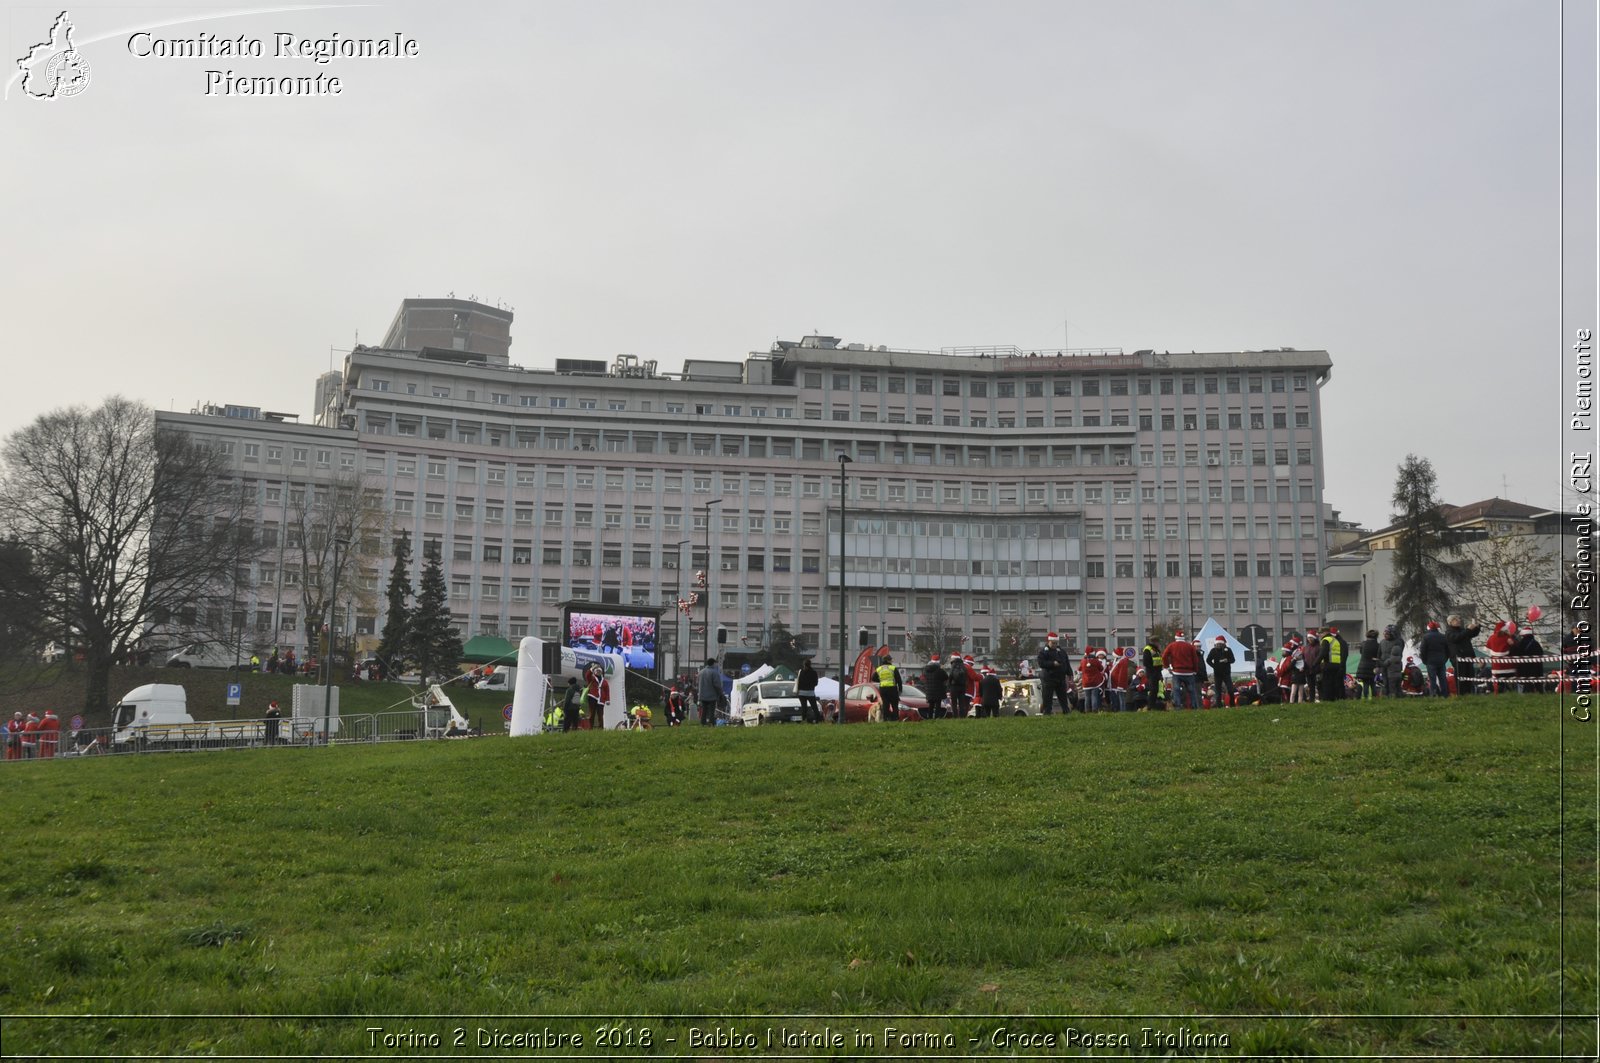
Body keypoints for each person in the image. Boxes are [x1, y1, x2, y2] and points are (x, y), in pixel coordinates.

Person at [1162, 630, 1201, 709]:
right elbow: (1195, 659)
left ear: (1176, 637)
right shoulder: (1190, 646)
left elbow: (1164, 656)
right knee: (1192, 690)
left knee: (1176, 690)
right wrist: (1195, 670)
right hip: (1189, 672)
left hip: (1177, 672)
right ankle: (1194, 706)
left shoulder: (1172, 645)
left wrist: (1167, 667)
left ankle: (1178, 706)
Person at [1037, 632, 1074, 715]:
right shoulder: (1043, 652)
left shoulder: (1061, 651)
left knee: (1063, 696)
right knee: (1047, 697)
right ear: (1048, 642)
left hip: (1060, 678)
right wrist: (1052, 664)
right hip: (1049, 678)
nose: (1054, 645)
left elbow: (1066, 663)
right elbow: (1041, 663)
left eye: (1056, 643)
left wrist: (1069, 673)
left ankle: (1066, 711)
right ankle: (1047, 712)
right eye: (1053, 643)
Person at [1445, 615, 1482, 695]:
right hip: (1458, 659)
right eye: (1456, 619)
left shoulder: (1462, 630)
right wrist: (1468, 629)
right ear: (1450, 622)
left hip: (1468, 657)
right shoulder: (1449, 632)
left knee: (1469, 676)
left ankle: (1469, 694)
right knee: (1461, 679)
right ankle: (1461, 695)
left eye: (1458, 619)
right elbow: (1457, 638)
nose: (1458, 620)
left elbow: (1471, 634)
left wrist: (1477, 627)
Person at [1419, 620, 1452, 697]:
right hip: (1441, 661)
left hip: (1430, 661)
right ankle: (1444, 694)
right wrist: (1445, 659)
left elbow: (1422, 650)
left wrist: (1425, 661)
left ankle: (1433, 694)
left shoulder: (1426, 637)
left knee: (1432, 679)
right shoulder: (1443, 637)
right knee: (1442, 679)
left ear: (1429, 628)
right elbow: (1448, 650)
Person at [1484, 621, 1517, 692]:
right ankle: (1512, 693)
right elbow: (1514, 647)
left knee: (1498, 682)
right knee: (1511, 681)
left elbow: (1487, 648)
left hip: (1496, 665)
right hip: (1507, 665)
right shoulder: (1507, 637)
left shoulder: (1491, 637)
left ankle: (1498, 694)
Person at [1319, 626, 1348, 702]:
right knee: (1337, 684)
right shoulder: (1341, 642)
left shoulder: (1336, 642)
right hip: (1338, 666)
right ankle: (1338, 699)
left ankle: (1339, 698)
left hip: (1336, 666)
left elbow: (1343, 656)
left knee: (1337, 684)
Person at [1206, 636, 1237, 707]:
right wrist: (1214, 666)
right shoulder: (1213, 650)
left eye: (1220, 644)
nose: (1218, 646)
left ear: (1223, 644)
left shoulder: (1228, 650)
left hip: (1226, 673)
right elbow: (1208, 660)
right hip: (1217, 673)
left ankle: (1232, 704)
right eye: (1217, 644)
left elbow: (1233, 660)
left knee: (1230, 689)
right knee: (1218, 690)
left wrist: (1227, 660)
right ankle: (1219, 705)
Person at [1515, 627, 1547, 691]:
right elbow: (1541, 653)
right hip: (1537, 667)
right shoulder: (1536, 643)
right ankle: (1540, 693)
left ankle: (1528, 693)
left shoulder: (1521, 643)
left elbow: (1518, 653)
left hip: (1524, 668)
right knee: (1538, 683)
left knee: (1527, 683)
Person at [874, 653, 904, 721]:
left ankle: (886, 719)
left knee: (885, 705)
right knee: (894, 705)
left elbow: (873, 678)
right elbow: (899, 680)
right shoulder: (893, 668)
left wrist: (881, 680)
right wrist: (900, 689)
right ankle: (895, 719)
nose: (891, 661)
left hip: (883, 689)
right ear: (888, 660)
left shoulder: (879, 669)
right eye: (890, 660)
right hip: (892, 689)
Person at [1379, 625, 1405, 698]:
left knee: (1393, 683)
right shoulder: (1382, 642)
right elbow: (1379, 653)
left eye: (1387, 634)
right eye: (1384, 634)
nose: (1385, 635)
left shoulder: (1398, 641)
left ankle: (1394, 695)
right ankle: (1387, 695)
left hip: (1392, 665)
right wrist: (1378, 664)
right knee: (1385, 681)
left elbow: (1398, 653)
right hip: (1384, 664)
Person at [920, 653, 948, 720]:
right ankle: (936, 717)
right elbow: (946, 677)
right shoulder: (939, 670)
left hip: (929, 690)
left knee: (931, 705)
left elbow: (924, 678)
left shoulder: (926, 669)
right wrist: (942, 669)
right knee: (938, 705)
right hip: (938, 690)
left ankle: (929, 717)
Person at [1355, 630, 1381, 699]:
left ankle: (1365, 697)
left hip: (1363, 666)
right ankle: (1374, 698)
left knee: (1365, 683)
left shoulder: (1363, 644)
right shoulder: (1378, 645)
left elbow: (1361, 652)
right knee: (1373, 683)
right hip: (1373, 666)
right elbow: (1378, 655)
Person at [696, 658, 723, 726]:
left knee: (704, 709)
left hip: (702, 695)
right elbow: (717, 685)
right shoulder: (714, 672)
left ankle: (703, 722)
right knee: (711, 710)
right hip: (712, 695)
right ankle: (711, 722)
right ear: (713, 663)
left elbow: (697, 683)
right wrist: (720, 693)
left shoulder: (701, 672)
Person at [583, 664, 610, 728]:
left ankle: (601, 728)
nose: (598, 672)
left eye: (599, 671)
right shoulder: (592, 678)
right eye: (597, 671)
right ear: (594, 672)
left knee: (600, 715)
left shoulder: (605, 681)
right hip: (592, 697)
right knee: (592, 714)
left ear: (601, 672)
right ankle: (590, 728)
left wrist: (607, 699)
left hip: (601, 700)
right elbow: (587, 675)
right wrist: (592, 668)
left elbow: (607, 691)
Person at [1141, 635, 1165, 706]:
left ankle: (1152, 705)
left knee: (1155, 690)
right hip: (1152, 673)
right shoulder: (1148, 649)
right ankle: (1150, 706)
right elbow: (1146, 662)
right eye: (1158, 642)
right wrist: (1153, 671)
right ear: (1155, 642)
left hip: (1157, 672)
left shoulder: (1156, 649)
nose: (1159, 644)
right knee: (1153, 690)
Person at [796, 658, 822, 723]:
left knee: (804, 707)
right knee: (814, 707)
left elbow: (798, 682)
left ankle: (804, 720)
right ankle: (818, 720)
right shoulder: (814, 672)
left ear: (804, 665)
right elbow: (816, 683)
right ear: (810, 664)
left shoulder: (801, 672)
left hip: (801, 693)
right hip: (810, 692)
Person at [947, 653, 972, 719]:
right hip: (962, 687)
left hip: (954, 687)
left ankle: (955, 716)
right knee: (961, 703)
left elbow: (951, 676)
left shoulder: (953, 665)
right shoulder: (963, 665)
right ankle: (962, 717)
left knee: (954, 703)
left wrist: (949, 685)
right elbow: (966, 676)